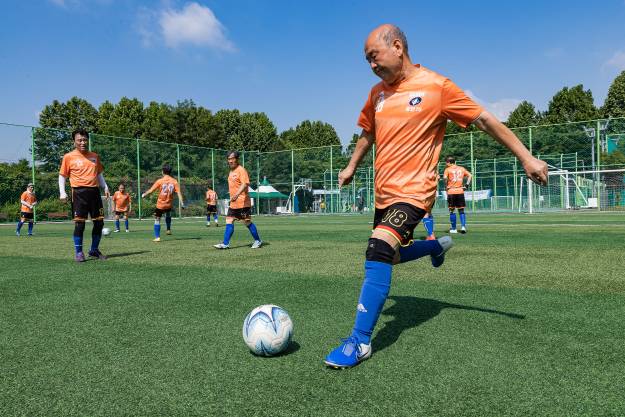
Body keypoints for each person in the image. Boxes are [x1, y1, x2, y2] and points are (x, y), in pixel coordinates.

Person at [323, 24, 547, 369]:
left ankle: (359, 342)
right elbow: (368, 133)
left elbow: (484, 119)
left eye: (374, 56)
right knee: (392, 258)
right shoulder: (376, 94)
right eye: (366, 60)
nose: (371, 65)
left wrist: (525, 156)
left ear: (397, 47)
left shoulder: (437, 87)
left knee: (378, 250)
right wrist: (351, 166)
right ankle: (436, 246)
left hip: (415, 192)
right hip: (384, 195)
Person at [59, 128, 110, 262]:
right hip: (78, 193)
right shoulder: (68, 157)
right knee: (79, 225)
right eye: (79, 140)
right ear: (74, 141)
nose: (82, 142)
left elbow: (99, 174)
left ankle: (94, 250)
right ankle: (79, 252)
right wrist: (62, 192)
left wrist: (105, 186)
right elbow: (62, 176)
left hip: (94, 192)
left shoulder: (94, 156)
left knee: (99, 223)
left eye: (85, 139)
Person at [213, 151, 262, 249]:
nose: (230, 161)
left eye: (232, 158)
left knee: (247, 222)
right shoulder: (231, 172)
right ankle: (225, 243)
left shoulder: (241, 170)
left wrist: (236, 194)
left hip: (243, 203)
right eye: (228, 159)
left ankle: (258, 241)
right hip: (234, 203)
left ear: (237, 159)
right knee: (229, 220)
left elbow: (245, 184)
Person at [141, 164, 184, 242]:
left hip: (160, 204)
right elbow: (179, 193)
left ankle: (157, 237)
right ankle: (168, 229)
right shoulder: (174, 181)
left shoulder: (160, 181)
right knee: (168, 214)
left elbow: (151, 190)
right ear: (170, 172)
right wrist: (182, 203)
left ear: (163, 172)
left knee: (157, 219)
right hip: (168, 204)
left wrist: (144, 194)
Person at [444, 156, 472, 234]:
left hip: (451, 191)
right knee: (461, 210)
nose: (446, 164)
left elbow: (445, 178)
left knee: (452, 210)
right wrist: (466, 185)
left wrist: (445, 186)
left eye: (446, 162)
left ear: (449, 162)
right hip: (460, 191)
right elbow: (470, 175)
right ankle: (463, 227)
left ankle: (454, 229)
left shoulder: (447, 169)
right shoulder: (462, 168)